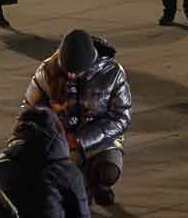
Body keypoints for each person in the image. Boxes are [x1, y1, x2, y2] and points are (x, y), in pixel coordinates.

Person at [29, 28, 131, 205]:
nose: (70, 75)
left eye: (76, 71)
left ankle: (97, 185)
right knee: (66, 182)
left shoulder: (112, 73)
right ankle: (81, 189)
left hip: (101, 141)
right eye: (67, 70)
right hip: (62, 140)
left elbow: (121, 117)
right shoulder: (47, 70)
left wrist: (80, 140)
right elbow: (30, 110)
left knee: (108, 171)